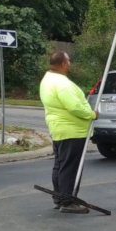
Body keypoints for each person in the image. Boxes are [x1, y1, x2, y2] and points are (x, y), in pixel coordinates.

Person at [39, 51, 98, 214]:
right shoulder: (62, 84)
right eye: (69, 61)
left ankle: (59, 197)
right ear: (64, 64)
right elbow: (75, 106)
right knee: (70, 167)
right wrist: (92, 114)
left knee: (60, 165)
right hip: (72, 131)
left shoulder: (47, 80)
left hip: (59, 129)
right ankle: (68, 201)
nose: (70, 64)